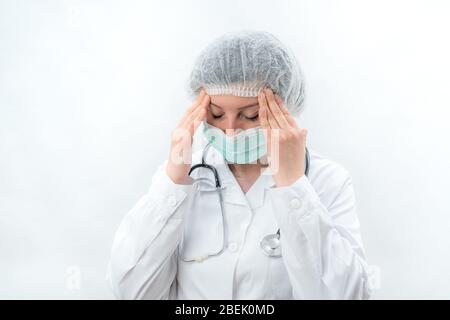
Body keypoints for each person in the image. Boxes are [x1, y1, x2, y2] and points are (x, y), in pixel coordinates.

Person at [106, 30, 371, 299]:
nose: (230, 131)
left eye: (251, 115)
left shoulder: (327, 180)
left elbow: (349, 295)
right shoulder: (181, 178)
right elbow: (131, 293)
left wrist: (293, 186)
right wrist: (172, 184)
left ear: (286, 110)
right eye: (217, 114)